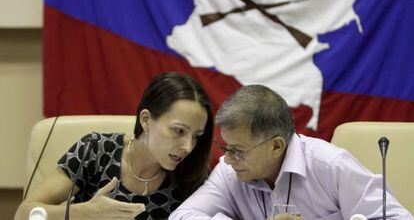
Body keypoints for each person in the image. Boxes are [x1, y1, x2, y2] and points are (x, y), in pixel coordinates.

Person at [169, 85, 414, 220]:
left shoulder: (329, 165)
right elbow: (182, 216)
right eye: (225, 148)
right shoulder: (228, 171)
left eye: (238, 151)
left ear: (276, 146)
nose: (228, 159)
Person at [15, 72, 214, 220]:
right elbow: (24, 213)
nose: (188, 147)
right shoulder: (96, 149)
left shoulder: (193, 173)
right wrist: (83, 213)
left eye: (196, 136)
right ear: (145, 120)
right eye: (178, 131)